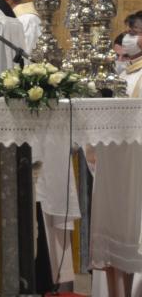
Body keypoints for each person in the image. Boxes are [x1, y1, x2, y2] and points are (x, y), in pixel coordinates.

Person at [0, 0, 80, 289]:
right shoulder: (19, 19)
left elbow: (20, 72)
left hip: (38, 124)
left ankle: (49, 276)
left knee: (42, 198)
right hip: (32, 122)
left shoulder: (24, 22)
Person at [90, 16, 142, 297]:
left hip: (136, 165)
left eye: (135, 33)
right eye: (130, 32)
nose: (129, 38)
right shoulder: (124, 73)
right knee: (116, 235)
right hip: (119, 163)